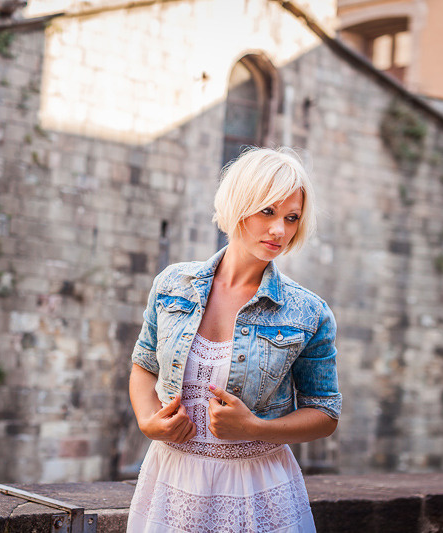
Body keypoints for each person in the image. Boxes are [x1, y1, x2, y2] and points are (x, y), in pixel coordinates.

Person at [127, 147, 341, 532]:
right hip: (171, 480)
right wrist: (147, 421)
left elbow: (325, 413)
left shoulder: (308, 312)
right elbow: (144, 365)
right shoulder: (174, 284)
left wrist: (256, 429)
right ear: (238, 205)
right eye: (267, 212)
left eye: (292, 218)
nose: (280, 230)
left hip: (257, 489)